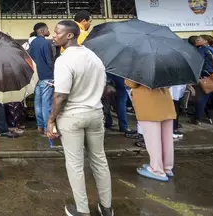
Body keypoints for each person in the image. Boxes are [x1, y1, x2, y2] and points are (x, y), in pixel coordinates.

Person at [46, 20, 113, 216]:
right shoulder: (94, 57)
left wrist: (51, 120)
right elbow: (103, 88)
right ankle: (107, 208)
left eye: (57, 32)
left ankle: (83, 210)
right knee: (99, 160)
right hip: (95, 113)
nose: (53, 35)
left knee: (75, 165)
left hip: (71, 116)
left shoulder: (64, 60)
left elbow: (60, 96)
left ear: (69, 35)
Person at [125, 79, 176, 182]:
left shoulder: (140, 63)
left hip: (149, 104)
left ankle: (157, 170)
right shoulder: (164, 63)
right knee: (167, 140)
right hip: (166, 103)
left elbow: (132, 83)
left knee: (153, 140)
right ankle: (167, 167)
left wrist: (126, 80)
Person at [28, 22, 54, 134]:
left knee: (37, 102)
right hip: (46, 76)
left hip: (36, 77)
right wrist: (53, 73)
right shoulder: (46, 43)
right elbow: (49, 61)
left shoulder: (32, 43)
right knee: (46, 103)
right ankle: (47, 127)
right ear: (42, 31)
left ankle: (40, 126)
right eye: (47, 29)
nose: (49, 31)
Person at [188, 35, 213, 124]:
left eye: (199, 39)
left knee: (202, 98)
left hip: (207, 77)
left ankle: (197, 118)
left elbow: (199, 64)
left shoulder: (201, 51)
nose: (197, 40)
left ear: (205, 41)